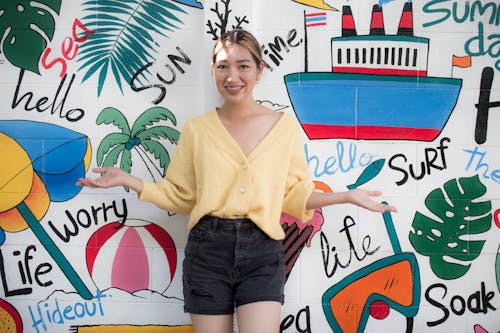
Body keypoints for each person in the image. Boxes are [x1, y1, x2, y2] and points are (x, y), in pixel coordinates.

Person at [77, 29, 397, 333]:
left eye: (243, 66)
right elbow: (181, 196)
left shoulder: (282, 127)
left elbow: (294, 194)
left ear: (260, 70)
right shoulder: (197, 131)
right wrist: (131, 181)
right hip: (207, 251)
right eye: (222, 67)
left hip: (263, 251)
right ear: (213, 71)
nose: (232, 76)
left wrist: (346, 196)